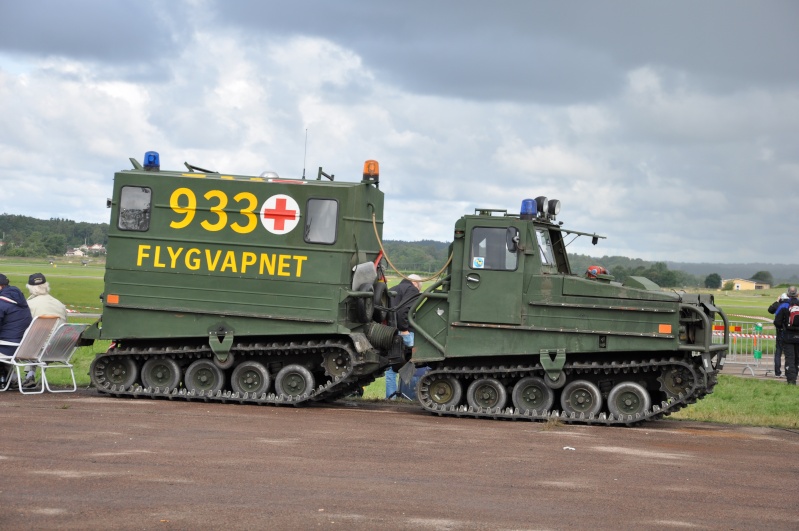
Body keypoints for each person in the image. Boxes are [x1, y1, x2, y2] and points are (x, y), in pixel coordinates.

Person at [22, 273, 68, 388]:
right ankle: (30, 375)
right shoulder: (60, 304)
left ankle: (18, 376)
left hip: (37, 348)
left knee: (29, 337)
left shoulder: (29, 305)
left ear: (30, 288)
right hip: (58, 347)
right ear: (46, 286)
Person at [385, 274, 422, 399]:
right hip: (404, 332)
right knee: (410, 363)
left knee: (390, 369)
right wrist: (405, 330)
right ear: (416, 284)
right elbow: (403, 311)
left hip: (389, 332)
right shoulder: (412, 290)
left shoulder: (393, 288)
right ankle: (409, 396)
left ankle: (390, 397)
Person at [0, 273, 33, 388]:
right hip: (23, 346)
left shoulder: (2, 303)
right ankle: (12, 378)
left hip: (8, 348)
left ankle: (11, 378)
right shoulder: (20, 302)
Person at [775, 286, 799, 386]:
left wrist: (783, 327)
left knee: (789, 358)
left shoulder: (784, 305)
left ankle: (791, 381)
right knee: (797, 358)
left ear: (787, 294)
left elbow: (777, 322)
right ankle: (795, 375)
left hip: (787, 336)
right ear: (797, 294)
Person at [768, 293, 790, 378]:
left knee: (778, 352)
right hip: (789, 332)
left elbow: (770, 310)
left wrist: (776, 301)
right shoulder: (791, 305)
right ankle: (788, 371)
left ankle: (777, 372)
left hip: (780, 331)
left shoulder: (779, 305)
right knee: (789, 353)